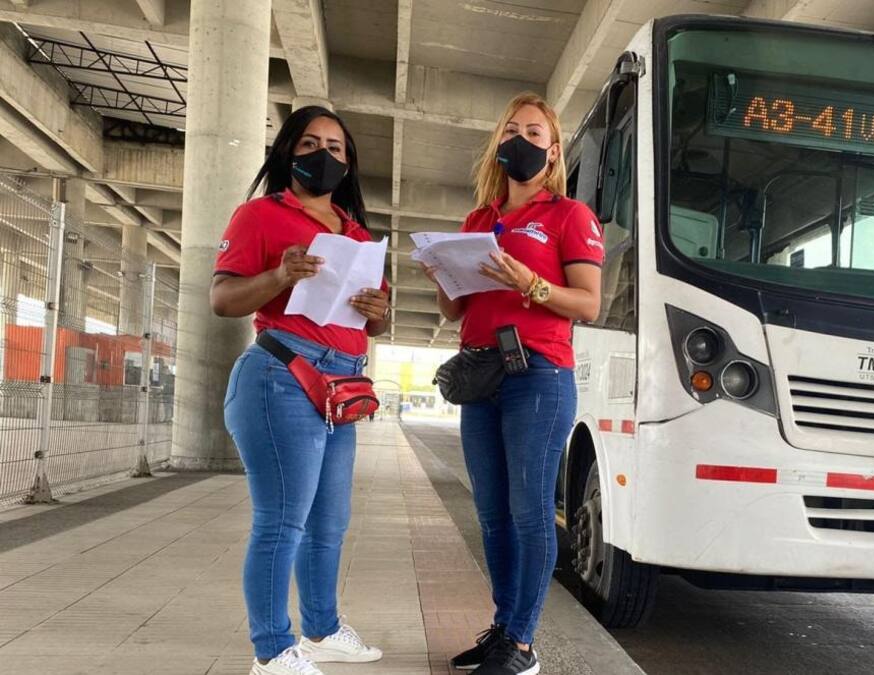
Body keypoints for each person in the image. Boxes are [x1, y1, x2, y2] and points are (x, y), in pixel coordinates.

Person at [426, 92, 603, 675]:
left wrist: (532, 283)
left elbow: (589, 304)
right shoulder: (478, 221)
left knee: (529, 512)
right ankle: (503, 628)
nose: (519, 141)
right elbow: (455, 311)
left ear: (552, 152)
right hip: (481, 375)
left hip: (539, 377)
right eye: (511, 131)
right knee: (492, 514)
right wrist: (441, 274)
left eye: (533, 133)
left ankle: (522, 644)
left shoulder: (569, 216)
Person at [212, 106, 390, 675]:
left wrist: (379, 310)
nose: (323, 155)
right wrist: (279, 276)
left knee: (329, 524)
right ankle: (271, 650)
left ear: (349, 163)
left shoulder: (357, 234)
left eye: (336, 148)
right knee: (282, 521)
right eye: (311, 143)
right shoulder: (260, 215)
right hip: (281, 376)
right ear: (288, 151)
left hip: (341, 386)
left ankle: (322, 630)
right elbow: (223, 300)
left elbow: (373, 324)